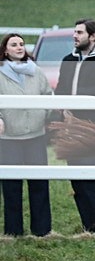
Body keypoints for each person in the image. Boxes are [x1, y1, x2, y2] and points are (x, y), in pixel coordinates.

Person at [55, 18, 95, 233]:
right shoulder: (68, 59)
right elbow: (61, 88)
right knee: (76, 178)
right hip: (70, 125)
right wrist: (63, 109)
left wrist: (75, 100)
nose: (75, 36)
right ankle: (87, 227)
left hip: (94, 125)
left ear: (92, 36)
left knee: (91, 176)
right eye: (74, 32)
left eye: (79, 32)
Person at [0, 33, 53, 237]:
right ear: (6, 50)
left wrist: (44, 117)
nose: (19, 47)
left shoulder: (36, 71)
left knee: (39, 183)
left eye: (21, 44)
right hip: (9, 139)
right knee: (11, 186)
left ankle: (42, 230)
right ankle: (13, 232)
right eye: (14, 44)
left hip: (36, 136)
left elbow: (48, 95)